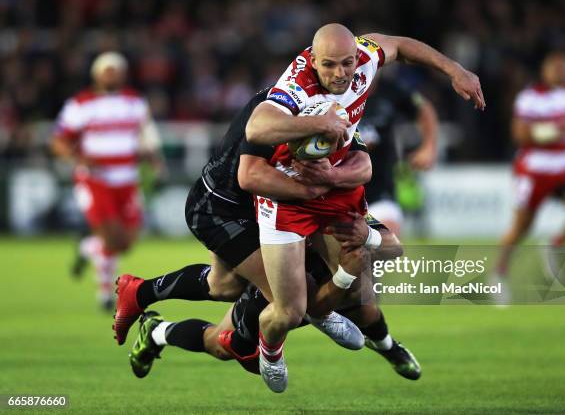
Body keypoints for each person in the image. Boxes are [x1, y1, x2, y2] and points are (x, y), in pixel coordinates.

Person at [245, 23, 484, 392]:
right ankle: (271, 349)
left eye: (346, 63)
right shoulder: (296, 83)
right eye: (328, 65)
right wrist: (318, 122)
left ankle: (362, 327)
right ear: (313, 60)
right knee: (288, 313)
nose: (339, 74)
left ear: (358, 56)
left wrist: (456, 69)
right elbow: (256, 128)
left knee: (369, 280)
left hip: (334, 188)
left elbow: (402, 44)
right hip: (286, 196)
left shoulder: (366, 56)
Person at [113, 87, 370, 349]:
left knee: (224, 286)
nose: (341, 76)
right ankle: (257, 341)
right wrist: (313, 190)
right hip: (221, 208)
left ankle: (146, 305)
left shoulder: (327, 106)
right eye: (331, 64)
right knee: (291, 303)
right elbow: (249, 177)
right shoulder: (274, 112)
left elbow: (362, 162)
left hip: (253, 207)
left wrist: (330, 179)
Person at [127, 213, 420, 382]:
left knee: (364, 307)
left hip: (314, 288)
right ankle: (157, 332)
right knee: (220, 344)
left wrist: (368, 235)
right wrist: (344, 275)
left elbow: (394, 246)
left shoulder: (344, 211)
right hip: (276, 288)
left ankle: (389, 346)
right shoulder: (290, 206)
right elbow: (316, 306)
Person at [51, 52, 164, 310]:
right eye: (107, 70)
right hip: (96, 180)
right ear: (97, 74)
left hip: (128, 180)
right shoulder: (81, 104)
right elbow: (58, 140)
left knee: (127, 241)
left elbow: (147, 138)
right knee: (112, 238)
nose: (111, 74)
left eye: (116, 70)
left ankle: (86, 247)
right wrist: (75, 156)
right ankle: (104, 292)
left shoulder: (135, 102)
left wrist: (156, 164)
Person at [494, 51, 565, 301]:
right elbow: (520, 135)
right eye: (556, 66)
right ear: (544, 70)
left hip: (564, 168)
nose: (561, 71)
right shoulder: (529, 98)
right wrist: (557, 130)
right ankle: (498, 275)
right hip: (534, 170)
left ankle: (554, 245)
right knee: (520, 228)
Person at [359, 71, 439, 236]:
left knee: (387, 242)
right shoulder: (332, 92)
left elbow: (424, 109)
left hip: (380, 189)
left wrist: (429, 146)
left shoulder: (392, 90)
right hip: (337, 192)